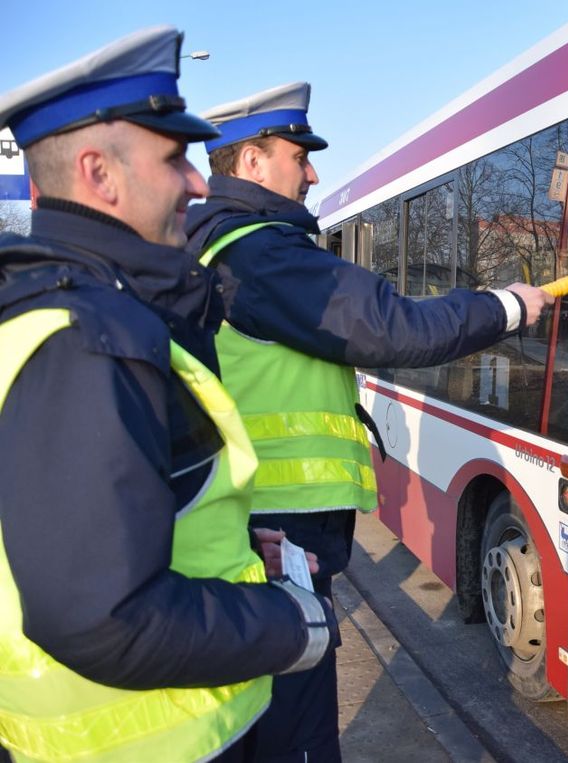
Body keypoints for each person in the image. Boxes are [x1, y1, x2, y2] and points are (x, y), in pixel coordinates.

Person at [184, 82, 552, 761]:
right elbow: (393, 326)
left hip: (253, 517)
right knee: (296, 729)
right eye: (300, 156)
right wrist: (504, 306)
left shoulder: (216, 246)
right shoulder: (263, 254)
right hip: (279, 530)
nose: (313, 174)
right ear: (253, 162)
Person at [0, 28, 337, 763]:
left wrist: (238, 546)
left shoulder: (85, 309)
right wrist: (290, 626)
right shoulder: (88, 336)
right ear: (98, 173)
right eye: (173, 158)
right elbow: (99, 615)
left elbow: (105, 512)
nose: (197, 182)